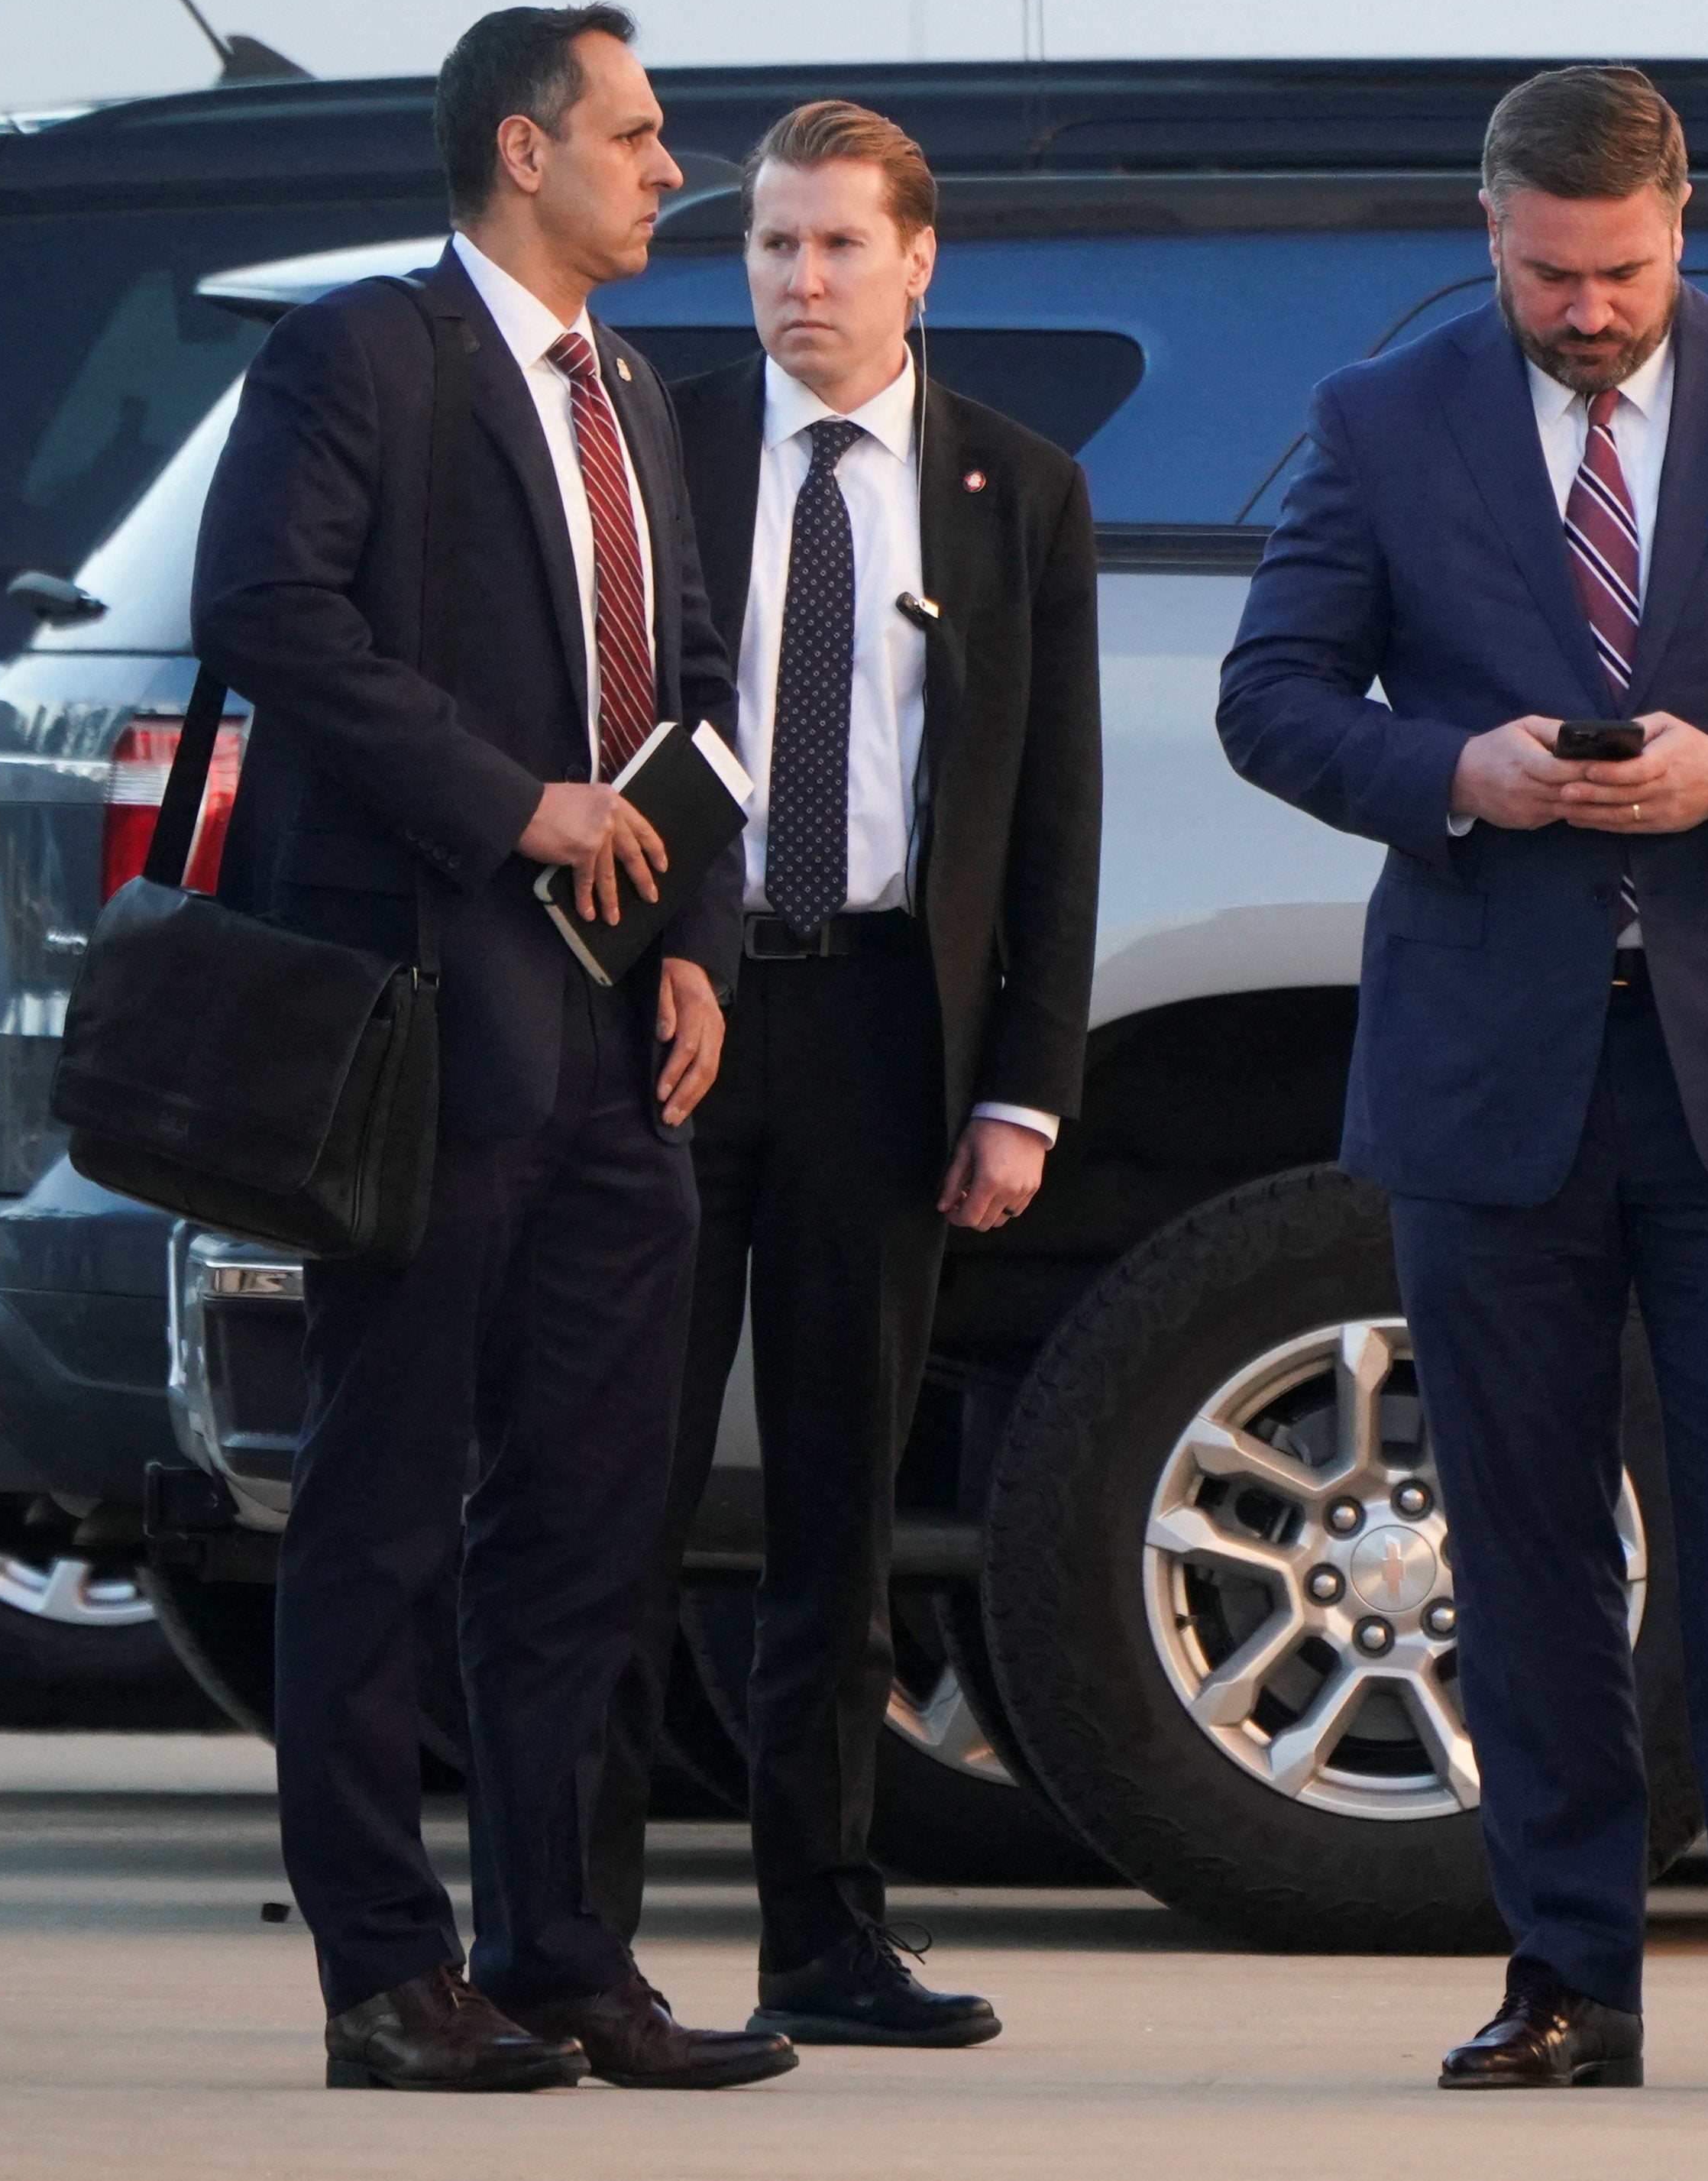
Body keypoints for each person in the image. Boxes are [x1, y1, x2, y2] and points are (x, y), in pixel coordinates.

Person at [1218, 65, 1708, 2096]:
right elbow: (1270, 696)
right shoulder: (1382, 418)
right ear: (1491, 229)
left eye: (1622, 271)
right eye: (1551, 272)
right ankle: (1566, 1978)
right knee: (1524, 1542)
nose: (1587, 309)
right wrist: (1449, 773)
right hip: (1488, 1069)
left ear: (1680, 222)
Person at [193, 2, 789, 2095]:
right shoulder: (367, 353)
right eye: (637, 133)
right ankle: (384, 1970)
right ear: (524, 151)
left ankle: (563, 1956)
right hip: (427, 1018)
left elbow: (691, 678)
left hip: (622, 1044)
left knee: (590, 1517)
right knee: (378, 1509)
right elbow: (271, 613)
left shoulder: (630, 386)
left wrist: (698, 938)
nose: (671, 168)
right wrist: (504, 799)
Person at [656, 101, 1098, 2047]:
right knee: (614, 1486)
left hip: (877, 1029)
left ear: (921, 261)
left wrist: (1024, 1086)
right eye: (772, 244)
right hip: (676, 1014)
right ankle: (568, 1935)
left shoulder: (1016, 488)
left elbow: (1054, 812)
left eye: (839, 245)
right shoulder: (660, 449)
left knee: (836, 1514)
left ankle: (823, 1936)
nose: (801, 281)